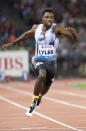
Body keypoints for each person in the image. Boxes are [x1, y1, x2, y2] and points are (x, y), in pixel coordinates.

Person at [3, 8, 78, 117]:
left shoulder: (57, 28)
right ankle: (33, 103)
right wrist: (12, 43)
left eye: (51, 17)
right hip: (38, 59)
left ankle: (39, 98)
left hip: (51, 62)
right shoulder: (35, 28)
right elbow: (26, 35)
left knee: (47, 85)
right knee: (42, 75)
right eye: (47, 17)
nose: (49, 19)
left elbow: (73, 39)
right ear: (42, 18)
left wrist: (73, 32)